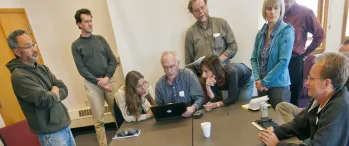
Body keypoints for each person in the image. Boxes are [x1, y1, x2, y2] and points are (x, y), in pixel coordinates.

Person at [259, 52, 349, 146]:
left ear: (326, 84)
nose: (307, 83)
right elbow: (299, 124)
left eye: (312, 79)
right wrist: (274, 131)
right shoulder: (320, 97)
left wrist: (277, 145)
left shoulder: (338, 109)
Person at [6, 30, 75, 146]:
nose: (33, 49)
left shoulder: (42, 68)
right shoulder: (19, 76)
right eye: (28, 47)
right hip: (50, 133)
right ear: (17, 51)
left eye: (33, 44)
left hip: (63, 124)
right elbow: (45, 100)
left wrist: (53, 94)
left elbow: (63, 88)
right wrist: (54, 90)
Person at [71, 8, 117, 146]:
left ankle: (125, 139)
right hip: (92, 84)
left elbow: (113, 61)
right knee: (99, 120)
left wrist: (106, 78)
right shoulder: (76, 45)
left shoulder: (100, 39)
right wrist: (100, 82)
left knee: (119, 113)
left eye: (91, 21)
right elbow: (82, 69)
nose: (90, 24)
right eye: (86, 21)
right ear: (79, 24)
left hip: (109, 80)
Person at [276, 40, 349, 123]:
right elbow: (316, 100)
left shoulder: (341, 98)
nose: (342, 60)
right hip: (313, 111)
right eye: (339, 55)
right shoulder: (333, 73)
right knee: (282, 106)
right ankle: (296, 128)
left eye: (346, 56)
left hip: (326, 117)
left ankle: (298, 130)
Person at [251, 0, 294, 109]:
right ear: (264, 11)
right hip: (261, 86)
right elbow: (254, 59)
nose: (272, 12)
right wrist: (257, 80)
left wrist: (264, 82)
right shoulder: (260, 34)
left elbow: (283, 62)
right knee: (263, 121)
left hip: (279, 87)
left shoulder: (287, 31)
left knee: (280, 122)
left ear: (281, 10)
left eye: (276, 8)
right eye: (269, 9)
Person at [284, 0, 325, 107]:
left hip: (294, 60)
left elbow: (319, 35)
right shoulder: (276, 11)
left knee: (293, 98)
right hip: (275, 60)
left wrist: (306, 53)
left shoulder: (305, 13)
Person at [185, 0, 238, 69]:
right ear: (193, 13)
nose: (201, 12)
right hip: (202, 76)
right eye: (196, 10)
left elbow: (233, 46)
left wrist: (218, 61)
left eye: (202, 7)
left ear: (206, 6)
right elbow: (189, 63)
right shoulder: (190, 33)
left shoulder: (221, 23)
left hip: (223, 71)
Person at [155, 51, 205, 117]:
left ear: (178, 64)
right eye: (165, 67)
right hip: (171, 120)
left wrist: (193, 108)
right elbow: (158, 108)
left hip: (190, 117)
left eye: (172, 66)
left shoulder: (188, 75)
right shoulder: (159, 85)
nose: (169, 70)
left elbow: (200, 97)